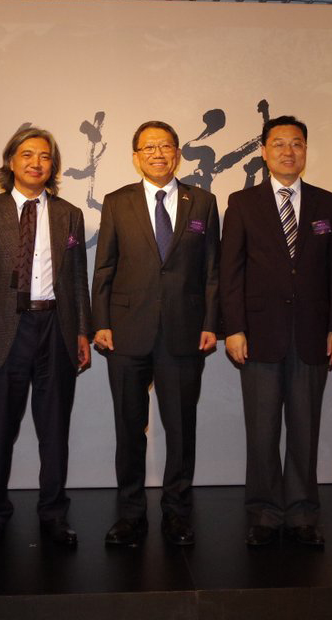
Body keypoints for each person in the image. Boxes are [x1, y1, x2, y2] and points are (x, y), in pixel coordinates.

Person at [220, 115, 332, 548]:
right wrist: (234, 328)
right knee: (261, 431)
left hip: (313, 335)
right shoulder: (242, 203)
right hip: (259, 334)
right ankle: (263, 513)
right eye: (278, 144)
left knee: (304, 429)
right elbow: (230, 271)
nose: (288, 151)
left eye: (296, 143)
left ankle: (302, 513)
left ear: (306, 150)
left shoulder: (328, 203)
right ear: (264, 151)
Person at [92, 120, 220, 547]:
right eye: (148, 147)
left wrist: (211, 323)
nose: (158, 154)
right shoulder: (117, 202)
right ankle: (130, 515)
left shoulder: (202, 202)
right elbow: (104, 267)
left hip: (185, 332)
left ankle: (177, 514)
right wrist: (100, 322)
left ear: (177, 154)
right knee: (129, 427)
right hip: (127, 332)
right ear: (136, 157)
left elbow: (212, 271)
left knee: (181, 429)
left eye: (165, 146)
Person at [0, 126, 91, 552]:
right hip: (4, 333)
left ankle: (53, 514)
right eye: (28, 155)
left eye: (45, 156)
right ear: (11, 162)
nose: (37, 163)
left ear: (53, 166)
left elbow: (77, 279)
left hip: (56, 330)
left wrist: (82, 331)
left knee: (54, 431)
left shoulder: (70, 214)